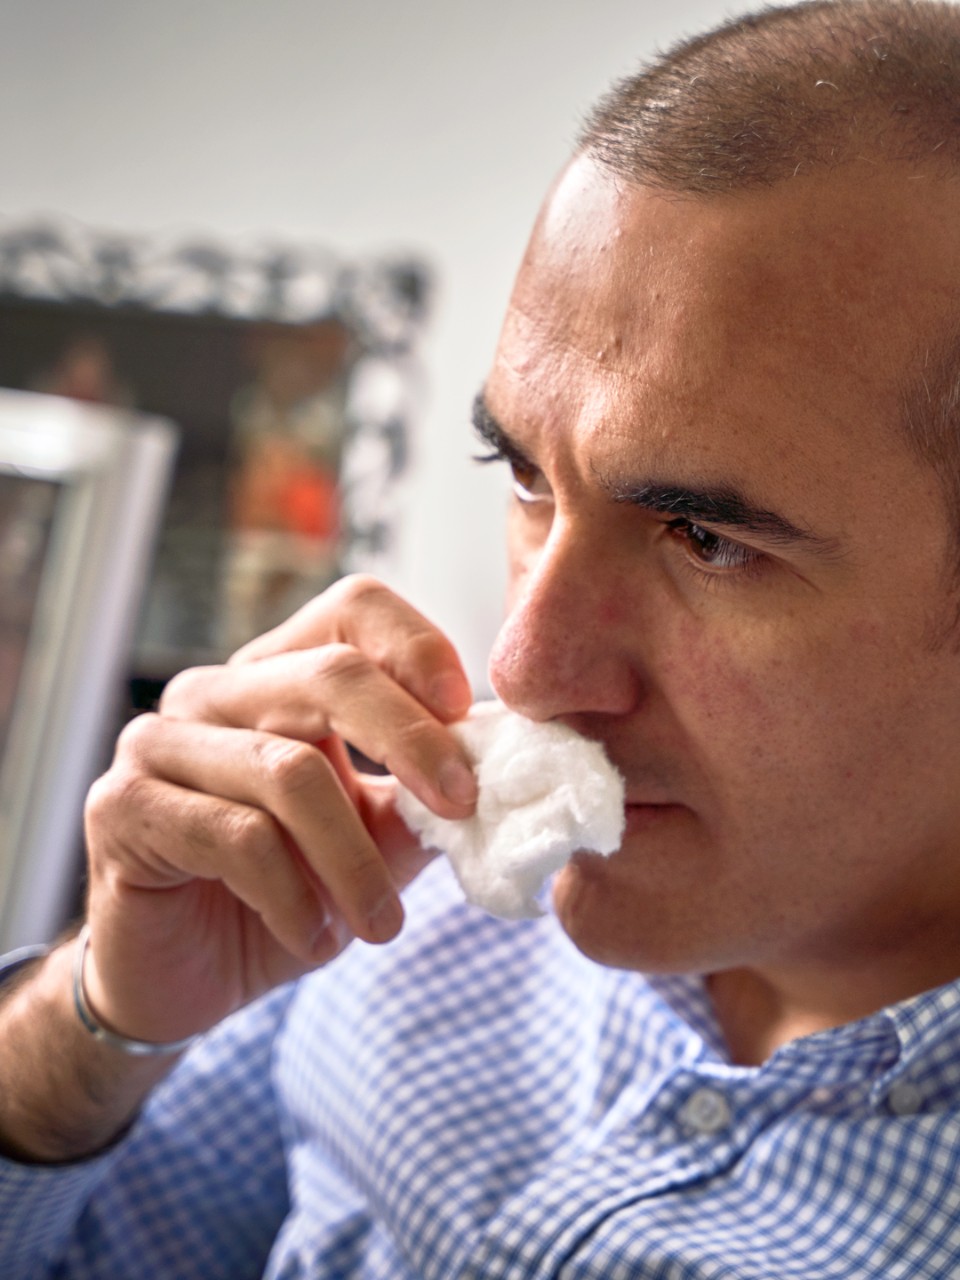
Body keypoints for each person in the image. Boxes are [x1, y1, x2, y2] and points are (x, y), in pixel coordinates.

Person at [4, 0, 960, 1273]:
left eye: (707, 539)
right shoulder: (389, 909)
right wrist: (101, 1022)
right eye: (524, 477)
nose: (521, 668)